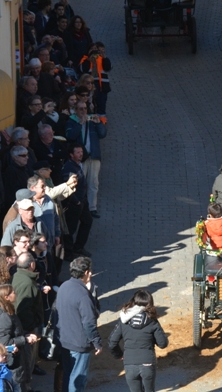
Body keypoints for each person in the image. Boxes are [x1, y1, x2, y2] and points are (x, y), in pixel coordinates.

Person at [55, 257, 102, 392]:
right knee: (78, 380)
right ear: (87, 272)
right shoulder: (83, 295)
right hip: (79, 343)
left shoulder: (63, 286)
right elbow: (89, 323)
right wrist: (97, 342)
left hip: (64, 340)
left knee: (68, 375)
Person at [108, 290, 167, 392]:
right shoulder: (152, 321)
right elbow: (163, 343)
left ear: (133, 302)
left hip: (130, 364)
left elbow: (112, 342)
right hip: (147, 363)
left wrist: (119, 355)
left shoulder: (123, 320)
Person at [65, 101, 107, 218]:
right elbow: (70, 136)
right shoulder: (71, 121)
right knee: (79, 183)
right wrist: (80, 124)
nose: (83, 111)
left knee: (93, 183)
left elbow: (103, 134)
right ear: (76, 110)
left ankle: (92, 208)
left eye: (85, 109)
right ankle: (78, 206)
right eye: (80, 109)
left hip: (93, 156)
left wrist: (99, 123)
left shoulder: (92, 121)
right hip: (79, 158)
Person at [0, 284, 34, 390]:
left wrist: (25, 335)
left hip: (18, 358)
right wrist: (25, 339)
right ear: (6, 297)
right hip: (12, 361)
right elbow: (4, 342)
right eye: (13, 292)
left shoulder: (9, 312)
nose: (16, 294)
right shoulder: (4, 318)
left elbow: (14, 333)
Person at [61, 145, 93, 259]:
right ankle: (68, 253)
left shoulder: (78, 165)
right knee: (70, 228)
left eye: (81, 152)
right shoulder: (69, 168)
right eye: (78, 152)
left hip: (82, 201)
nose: (81, 154)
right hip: (74, 203)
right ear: (71, 154)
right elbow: (68, 187)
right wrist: (76, 201)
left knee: (87, 221)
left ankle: (78, 247)